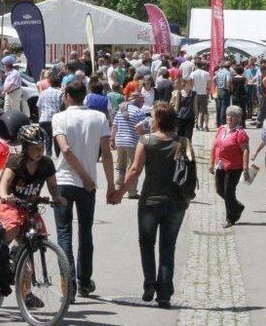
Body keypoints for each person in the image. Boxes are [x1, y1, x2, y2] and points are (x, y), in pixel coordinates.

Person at [115, 102, 190, 308]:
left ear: (158, 120)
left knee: (147, 244)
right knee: (168, 247)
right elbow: (190, 174)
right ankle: (164, 293)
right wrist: (188, 198)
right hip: (175, 202)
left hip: (150, 201)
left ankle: (150, 283)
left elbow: (134, 170)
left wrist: (120, 193)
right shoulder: (183, 142)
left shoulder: (145, 141)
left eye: (153, 116)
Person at [52, 81, 116, 298]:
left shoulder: (59, 118)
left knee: (64, 233)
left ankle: (67, 284)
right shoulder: (99, 118)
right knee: (85, 233)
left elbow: (66, 150)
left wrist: (84, 177)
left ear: (68, 95)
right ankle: (84, 281)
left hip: (64, 180)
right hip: (87, 185)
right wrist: (111, 185)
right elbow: (106, 154)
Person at [0, 124, 64, 247]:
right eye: (35, 148)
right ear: (25, 148)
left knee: (39, 235)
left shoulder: (47, 163)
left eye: (42, 147)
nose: (40, 151)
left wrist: (57, 197)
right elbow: (5, 183)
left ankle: (20, 257)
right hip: (9, 205)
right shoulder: (16, 161)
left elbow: (53, 186)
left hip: (29, 206)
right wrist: (4, 195)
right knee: (13, 228)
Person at [210, 106, 250, 228]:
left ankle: (230, 218)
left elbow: (246, 151)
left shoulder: (240, 133)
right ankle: (237, 207)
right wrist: (211, 163)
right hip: (220, 165)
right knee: (219, 190)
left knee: (228, 192)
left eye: (232, 116)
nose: (229, 118)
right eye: (228, 115)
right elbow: (214, 146)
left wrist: (245, 168)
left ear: (238, 119)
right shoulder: (221, 129)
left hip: (234, 167)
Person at [111, 91, 148, 200]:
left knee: (121, 167)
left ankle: (118, 187)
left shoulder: (121, 110)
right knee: (132, 167)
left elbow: (114, 126)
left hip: (120, 142)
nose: (143, 102)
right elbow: (142, 129)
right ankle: (131, 191)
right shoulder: (139, 112)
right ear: (138, 100)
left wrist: (112, 139)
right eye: (142, 100)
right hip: (132, 142)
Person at [37, 74, 63, 157]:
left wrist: (39, 117)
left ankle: (48, 154)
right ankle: (58, 154)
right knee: (57, 136)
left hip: (44, 118)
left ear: (50, 83)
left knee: (48, 136)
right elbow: (62, 106)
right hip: (56, 118)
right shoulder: (60, 93)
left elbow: (39, 106)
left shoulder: (43, 92)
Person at [190, 61, 210, 131]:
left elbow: (191, 84)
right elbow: (208, 85)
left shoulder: (193, 73)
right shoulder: (206, 73)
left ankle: (196, 125)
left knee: (196, 110)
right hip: (203, 93)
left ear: (196, 65)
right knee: (204, 110)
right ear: (202, 66)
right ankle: (205, 126)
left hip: (195, 93)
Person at [214, 60, 231, 128]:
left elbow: (213, 79)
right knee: (224, 107)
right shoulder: (227, 72)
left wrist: (217, 85)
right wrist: (228, 87)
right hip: (224, 90)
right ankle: (222, 123)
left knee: (218, 107)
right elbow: (228, 80)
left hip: (219, 90)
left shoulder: (219, 72)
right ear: (229, 67)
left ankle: (218, 122)